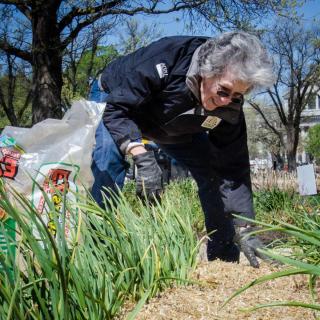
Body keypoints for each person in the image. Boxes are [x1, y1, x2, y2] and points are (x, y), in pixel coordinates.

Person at [90, 31, 275, 268]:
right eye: (223, 91)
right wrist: (140, 155)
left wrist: (245, 226)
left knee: (213, 172)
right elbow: (117, 111)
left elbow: (233, 166)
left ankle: (223, 255)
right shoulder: (167, 57)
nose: (226, 101)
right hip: (119, 106)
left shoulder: (228, 107)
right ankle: (97, 248)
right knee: (108, 159)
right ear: (206, 72)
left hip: (173, 124)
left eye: (237, 95)